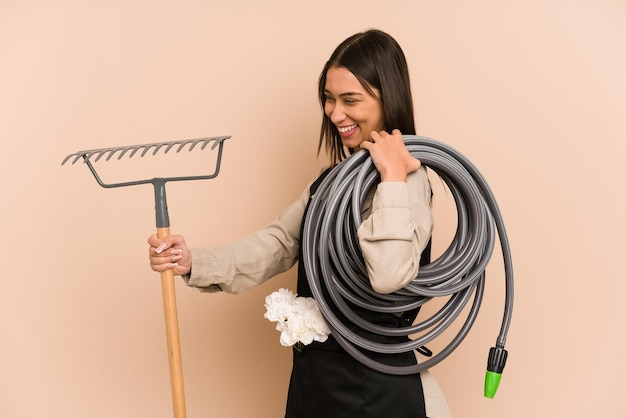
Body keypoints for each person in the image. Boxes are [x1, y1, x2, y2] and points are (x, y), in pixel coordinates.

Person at [148, 29, 452, 418]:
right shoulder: (329, 183)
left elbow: (390, 274)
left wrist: (392, 176)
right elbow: (278, 243)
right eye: (329, 98)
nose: (335, 113)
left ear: (386, 97)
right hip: (317, 379)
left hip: (377, 388)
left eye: (350, 100)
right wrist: (192, 261)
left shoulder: (408, 181)